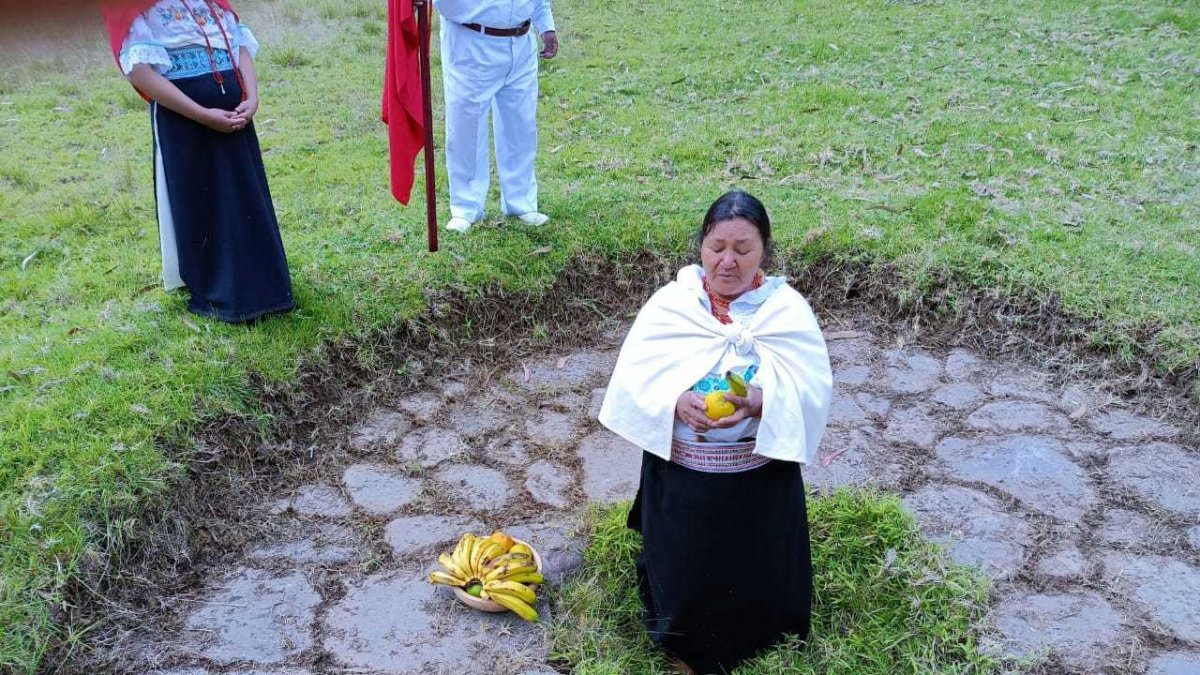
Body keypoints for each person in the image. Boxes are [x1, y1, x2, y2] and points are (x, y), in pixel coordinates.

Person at [599, 190, 833, 674]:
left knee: (755, 569)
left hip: (758, 480)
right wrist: (675, 402)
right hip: (686, 479)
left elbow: (812, 387)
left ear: (764, 250)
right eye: (716, 248)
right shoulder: (672, 306)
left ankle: (764, 630)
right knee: (688, 570)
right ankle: (684, 637)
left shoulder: (786, 311)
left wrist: (762, 400)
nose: (727, 261)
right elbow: (635, 379)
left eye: (743, 249)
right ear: (701, 247)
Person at [102, 0, 294, 323]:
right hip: (184, 123)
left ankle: (268, 292)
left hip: (235, 117)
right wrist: (202, 114)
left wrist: (252, 96)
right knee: (205, 202)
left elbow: (239, 44)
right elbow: (138, 70)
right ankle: (223, 298)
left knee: (244, 199)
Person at [432, 0, 559, 233]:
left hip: (521, 40)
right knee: (466, 129)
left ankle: (521, 203)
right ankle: (465, 208)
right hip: (471, 40)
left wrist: (545, 24)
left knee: (521, 127)